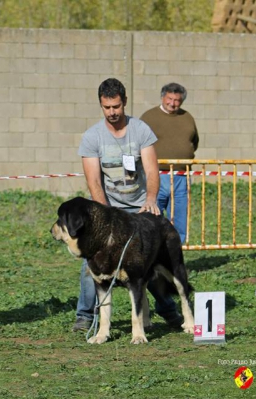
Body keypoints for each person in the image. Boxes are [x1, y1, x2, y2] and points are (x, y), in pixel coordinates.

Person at [73, 78, 184, 332]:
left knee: (151, 259)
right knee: (92, 262)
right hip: (107, 209)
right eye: (106, 107)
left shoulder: (141, 130)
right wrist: (106, 219)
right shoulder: (92, 137)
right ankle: (85, 315)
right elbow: (94, 183)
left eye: (116, 107)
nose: (112, 112)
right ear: (101, 106)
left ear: (124, 102)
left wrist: (151, 200)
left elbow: (152, 171)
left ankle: (167, 310)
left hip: (139, 209)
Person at [140, 83, 199, 243]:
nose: (172, 103)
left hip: (181, 176)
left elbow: (194, 141)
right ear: (162, 97)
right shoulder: (148, 117)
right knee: (152, 218)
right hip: (156, 176)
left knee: (180, 219)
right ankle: (152, 255)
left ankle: (175, 256)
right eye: (170, 99)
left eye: (177, 100)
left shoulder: (187, 118)